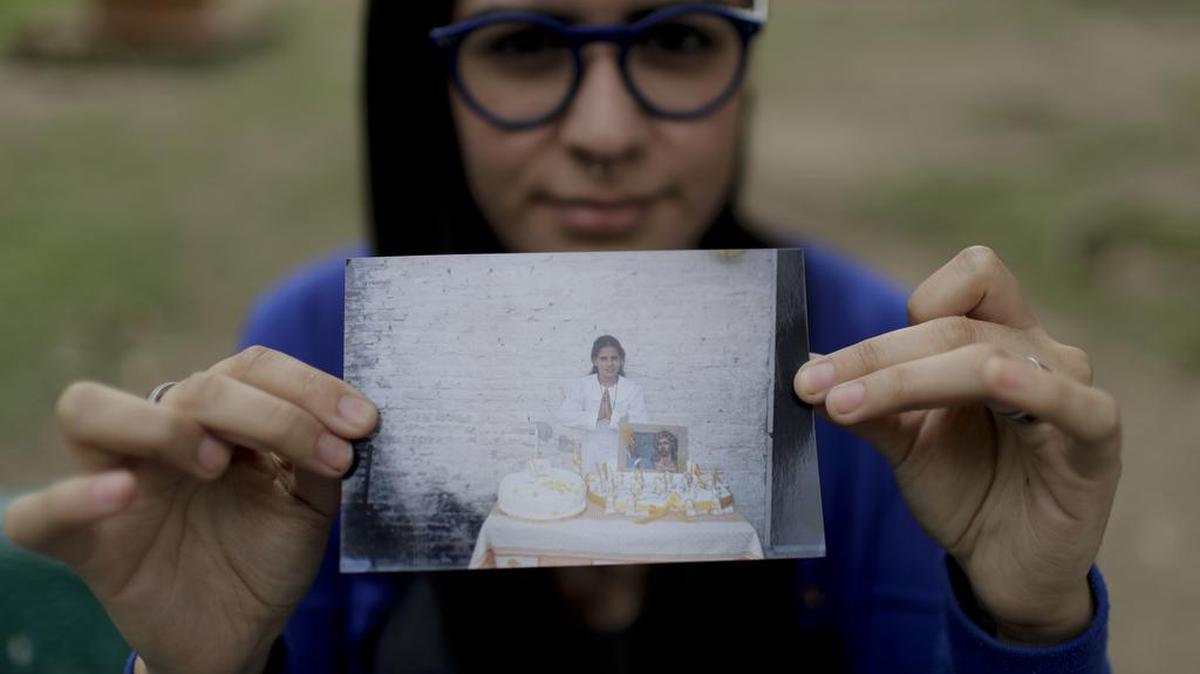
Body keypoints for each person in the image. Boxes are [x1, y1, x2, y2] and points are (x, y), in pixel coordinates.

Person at [2, 1, 1121, 673]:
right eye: (525, 44)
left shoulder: (881, 375)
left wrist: (1027, 618)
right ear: (422, 72)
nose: (606, 133)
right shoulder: (314, 351)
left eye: (678, 37)